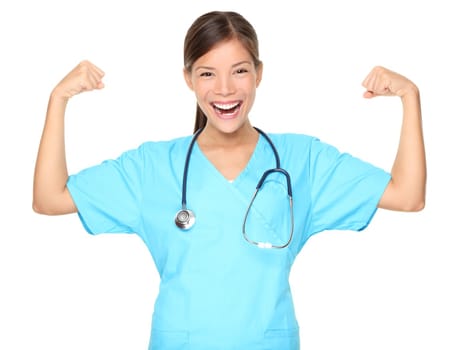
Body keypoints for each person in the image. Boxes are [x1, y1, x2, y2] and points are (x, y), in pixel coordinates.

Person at [33, 10, 426, 350]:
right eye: (207, 73)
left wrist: (410, 96)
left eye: (239, 71)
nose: (224, 89)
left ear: (259, 73)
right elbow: (49, 199)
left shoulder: (302, 160)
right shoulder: (151, 166)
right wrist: (58, 100)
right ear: (188, 79)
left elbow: (407, 195)